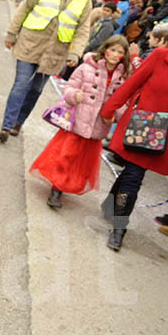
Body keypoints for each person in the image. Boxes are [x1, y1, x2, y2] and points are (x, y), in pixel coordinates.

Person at [0, 0, 93, 143]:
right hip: (30, 43)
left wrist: (75, 53)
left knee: (36, 89)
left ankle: (19, 121)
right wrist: (11, 34)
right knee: (22, 84)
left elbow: (83, 29)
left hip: (56, 52)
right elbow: (26, 8)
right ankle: (6, 126)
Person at [100, 30, 168, 251]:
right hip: (144, 124)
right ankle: (119, 227)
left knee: (131, 174)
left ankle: (110, 206)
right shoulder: (160, 55)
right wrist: (110, 108)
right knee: (134, 176)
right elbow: (133, 83)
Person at [32, 36, 130, 209]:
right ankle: (57, 189)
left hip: (98, 125)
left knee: (82, 162)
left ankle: (67, 184)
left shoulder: (122, 77)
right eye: (112, 50)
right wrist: (73, 95)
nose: (115, 55)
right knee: (67, 155)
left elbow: (124, 102)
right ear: (105, 49)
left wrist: (115, 115)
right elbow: (70, 86)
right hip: (79, 119)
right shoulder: (86, 67)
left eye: (120, 52)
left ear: (124, 56)